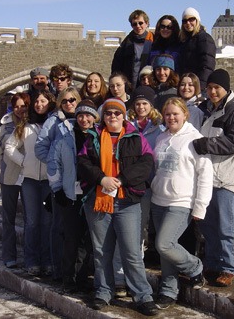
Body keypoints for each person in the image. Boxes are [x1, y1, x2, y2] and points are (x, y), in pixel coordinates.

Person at [78, 98, 158, 316]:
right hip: (99, 199)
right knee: (102, 250)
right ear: (103, 117)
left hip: (127, 201)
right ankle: (103, 291)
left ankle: (142, 295)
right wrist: (102, 179)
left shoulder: (136, 137)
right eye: (108, 113)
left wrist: (122, 178)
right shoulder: (93, 137)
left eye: (117, 113)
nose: (112, 116)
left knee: (132, 251)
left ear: (124, 116)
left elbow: (146, 163)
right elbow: (83, 163)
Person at [151, 97, 213, 309]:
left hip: (181, 201)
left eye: (175, 113)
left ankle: (195, 267)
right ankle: (168, 290)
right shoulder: (161, 137)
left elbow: (205, 174)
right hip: (158, 199)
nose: (171, 118)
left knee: (164, 244)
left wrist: (200, 206)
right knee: (165, 249)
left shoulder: (195, 139)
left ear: (185, 114)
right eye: (167, 114)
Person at [193, 69, 234, 287]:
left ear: (226, 89)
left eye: (217, 88)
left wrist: (208, 144)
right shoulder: (206, 110)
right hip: (207, 178)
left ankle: (228, 267)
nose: (213, 92)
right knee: (209, 226)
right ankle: (214, 263)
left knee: (227, 226)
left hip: (225, 178)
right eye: (210, 88)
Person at [36, 99, 98, 290]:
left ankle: (83, 275)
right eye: (80, 115)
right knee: (71, 236)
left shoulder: (99, 137)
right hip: (70, 193)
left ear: (94, 117)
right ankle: (68, 277)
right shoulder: (64, 138)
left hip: (92, 193)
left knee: (89, 238)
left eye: (88, 115)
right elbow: (54, 165)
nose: (84, 119)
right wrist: (57, 189)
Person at [5, 90, 56, 276]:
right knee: (32, 222)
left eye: (43, 101)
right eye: (36, 101)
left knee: (47, 222)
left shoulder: (54, 124)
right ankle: (32, 260)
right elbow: (10, 147)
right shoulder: (26, 125)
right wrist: (23, 161)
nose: (39, 104)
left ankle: (48, 260)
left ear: (49, 103)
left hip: (49, 181)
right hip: (30, 180)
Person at [0, 92, 30, 268]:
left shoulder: (33, 123)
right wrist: (7, 167)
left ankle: (30, 256)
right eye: (16, 106)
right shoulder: (4, 127)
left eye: (23, 105)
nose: (20, 109)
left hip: (29, 177)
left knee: (31, 218)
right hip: (9, 178)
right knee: (8, 218)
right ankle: (9, 255)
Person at [127, 86, 164, 254]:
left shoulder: (160, 129)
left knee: (147, 223)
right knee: (134, 224)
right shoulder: (127, 125)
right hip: (130, 182)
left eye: (145, 103)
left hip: (150, 184)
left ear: (151, 106)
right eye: (138, 103)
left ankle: (142, 256)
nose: (141, 107)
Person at [111, 9, 154, 87]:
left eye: (140, 23)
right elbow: (116, 66)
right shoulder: (126, 44)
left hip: (148, 83)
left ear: (147, 23)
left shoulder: (153, 41)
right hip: (130, 84)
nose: (138, 26)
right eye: (134, 24)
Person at [178, 7, 217, 92]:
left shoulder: (204, 38)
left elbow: (207, 66)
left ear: (197, 20)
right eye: (185, 21)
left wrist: (200, 88)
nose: (188, 23)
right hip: (186, 87)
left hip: (196, 88)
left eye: (191, 19)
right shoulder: (184, 41)